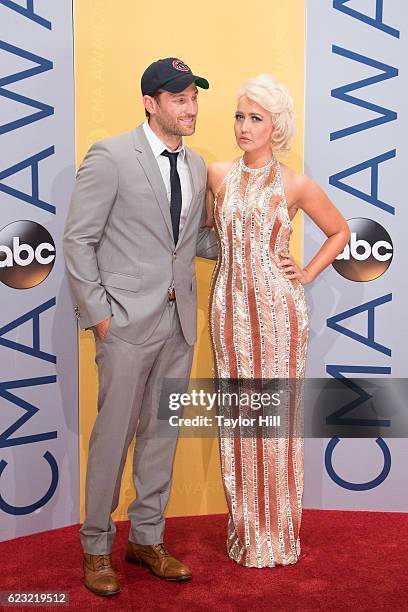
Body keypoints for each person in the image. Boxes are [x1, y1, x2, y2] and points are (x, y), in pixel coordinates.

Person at [63, 57, 217, 596]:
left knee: (161, 436)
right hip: (125, 326)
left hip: (178, 324)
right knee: (114, 436)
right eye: (179, 99)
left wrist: (249, 243)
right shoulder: (110, 155)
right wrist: (101, 316)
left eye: (194, 97)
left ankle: (146, 538)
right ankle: (97, 545)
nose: (191, 107)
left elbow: (191, 241)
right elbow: (78, 240)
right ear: (151, 103)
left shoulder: (197, 165)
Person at [206, 74, 350, 568]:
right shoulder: (217, 175)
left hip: (279, 312)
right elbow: (204, 238)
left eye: (255, 118)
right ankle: (246, 532)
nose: (243, 126)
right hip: (227, 309)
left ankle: (280, 535)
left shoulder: (295, 183)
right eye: (239, 116)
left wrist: (306, 271)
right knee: (239, 420)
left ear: (276, 127)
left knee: (277, 421)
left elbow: (339, 231)